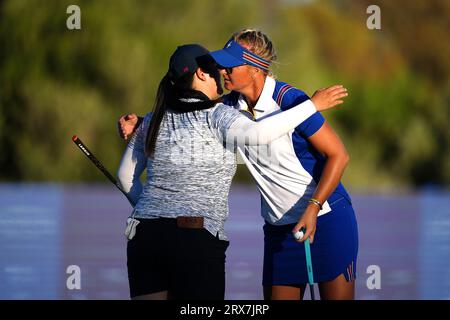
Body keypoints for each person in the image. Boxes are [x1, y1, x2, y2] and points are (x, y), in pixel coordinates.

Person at [120, 29, 358, 300]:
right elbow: (188, 113)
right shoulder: (229, 105)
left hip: (325, 218)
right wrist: (141, 122)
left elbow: (339, 156)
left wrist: (313, 208)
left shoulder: (292, 101)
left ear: (255, 67)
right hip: (279, 228)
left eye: (230, 63)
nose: (222, 70)